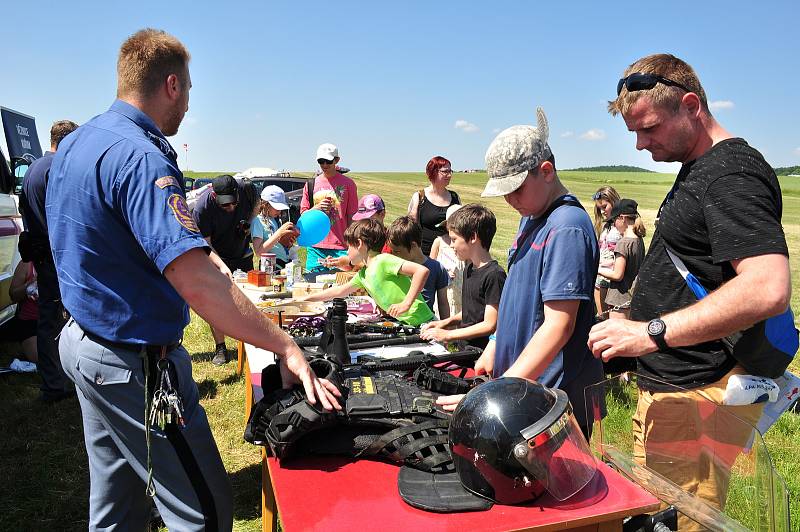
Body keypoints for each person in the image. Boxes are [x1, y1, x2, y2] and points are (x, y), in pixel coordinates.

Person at [46, 29, 340, 532]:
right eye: (189, 89)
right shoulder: (141, 157)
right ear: (172, 85)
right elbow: (198, 283)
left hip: (84, 343)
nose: (187, 104)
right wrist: (284, 344)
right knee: (202, 513)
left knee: (117, 507)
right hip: (135, 362)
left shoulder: (77, 143)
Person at [588, 53, 790, 530]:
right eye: (634, 133)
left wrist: (651, 332)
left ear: (691, 105)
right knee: (654, 513)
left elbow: (767, 286)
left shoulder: (731, 173)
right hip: (675, 387)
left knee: (678, 524)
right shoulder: (700, 165)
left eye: (650, 129)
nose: (640, 145)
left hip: (698, 393)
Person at [435, 109, 603, 441]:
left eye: (517, 189)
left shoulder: (566, 227)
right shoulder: (532, 217)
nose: (511, 200)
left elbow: (558, 326)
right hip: (522, 386)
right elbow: (518, 294)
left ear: (547, 171)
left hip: (551, 396)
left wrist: (496, 392)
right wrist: (496, 345)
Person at [18, 119, 78, 402]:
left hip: (42, 256)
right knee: (59, 320)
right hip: (57, 256)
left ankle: (55, 382)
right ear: (66, 141)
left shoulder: (32, 170)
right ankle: (57, 384)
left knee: (49, 319)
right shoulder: (56, 169)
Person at [296, 219, 434, 326]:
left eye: (349, 246)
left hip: (424, 321)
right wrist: (303, 300)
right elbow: (338, 292)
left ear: (360, 244)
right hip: (409, 324)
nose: (347, 252)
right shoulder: (363, 274)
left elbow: (421, 271)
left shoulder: (383, 260)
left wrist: (406, 304)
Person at [192, 174, 259, 365]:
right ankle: (221, 348)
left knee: (247, 300)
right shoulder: (202, 207)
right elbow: (205, 244)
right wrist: (221, 265)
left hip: (242, 254)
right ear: (214, 196)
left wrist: (249, 221)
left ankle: (248, 345)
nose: (230, 208)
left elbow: (257, 203)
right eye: (225, 205)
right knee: (215, 304)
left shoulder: (247, 190)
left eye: (233, 204)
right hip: (217, 255)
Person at [420, 204, 505, 349]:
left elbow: (490, 324)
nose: (451, 245)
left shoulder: (494, 275)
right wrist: (445, 322)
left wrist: (447, 335)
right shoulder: (469, 269)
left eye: (454, 239)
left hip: (481, 355)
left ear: (473, 237)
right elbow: (470, 313)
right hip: (465, 349)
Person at [300, 143, 358, 278]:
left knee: (341, 288)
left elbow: (351, 217)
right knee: (312, 283)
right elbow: (303, 215)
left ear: (337, 160)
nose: (324, 165)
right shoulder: (311, 184)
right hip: (315, 246)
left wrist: (352, 245)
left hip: (341, 247)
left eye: (328, 161)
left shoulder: (348, 184)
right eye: (321, 161)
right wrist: (316, 209)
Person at [386, 216, 450, 318]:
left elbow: (443, 304)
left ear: (413, 245)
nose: (394, 255)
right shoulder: (395, 265)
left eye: (397, 251)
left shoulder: (436, 268)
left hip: (424, 324)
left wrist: (446, 327)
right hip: (396, 322)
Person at [596, 199, 646, 320]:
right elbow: (629, 263)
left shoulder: (623, 243)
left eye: (614, 220)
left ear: (622, 218)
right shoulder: (638, 240)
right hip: (632, 297)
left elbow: (617, 275)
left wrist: (595, 268)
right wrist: (609, 262)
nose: (613, 224)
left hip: (620, 299)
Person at [407, 156, 461, 256]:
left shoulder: (455, 197)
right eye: (445, 171)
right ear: (433, 172)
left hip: (449, 254)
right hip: (424, 255)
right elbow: (410, 228)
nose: (449, 175)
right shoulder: (419, 197)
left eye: (450, 171)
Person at [323, 193, 388, 272]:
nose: (363, 224)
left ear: (382, 214)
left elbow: (380, 266)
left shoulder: (389, 241)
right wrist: (341, 263)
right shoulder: (360, 237)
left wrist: (348, 261)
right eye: (361, 220)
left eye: (368, 219)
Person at [251, 185, 300, 269]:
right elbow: (258, 252)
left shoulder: (275, 220)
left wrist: (286, 243)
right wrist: (279, 233)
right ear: (266, 204)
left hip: (282, 265)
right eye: (277, 208)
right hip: (269, 267)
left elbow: (276, 244)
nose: (279, 211)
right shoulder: (258, 221)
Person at [429, 204, 465, 315]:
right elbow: (430, 270)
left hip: (461, 294)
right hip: (444, 296)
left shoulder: (466, 245)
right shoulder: (439, 242)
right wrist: (444, 274)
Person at [0, 260, 39, 363]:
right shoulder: (26, 264)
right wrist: (30, 284)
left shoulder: (61, 261)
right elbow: (13, 295)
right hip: (30, 320)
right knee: (38, 357)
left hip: (53, 319)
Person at [591, 186, 621, 319]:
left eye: (604, 206)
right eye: (599, 208)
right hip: (600, 278)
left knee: (608, 320)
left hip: (612, 280)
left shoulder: (621, 225)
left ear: (613, 201)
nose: (602, 211)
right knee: (602, 318)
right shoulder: (605, 225)